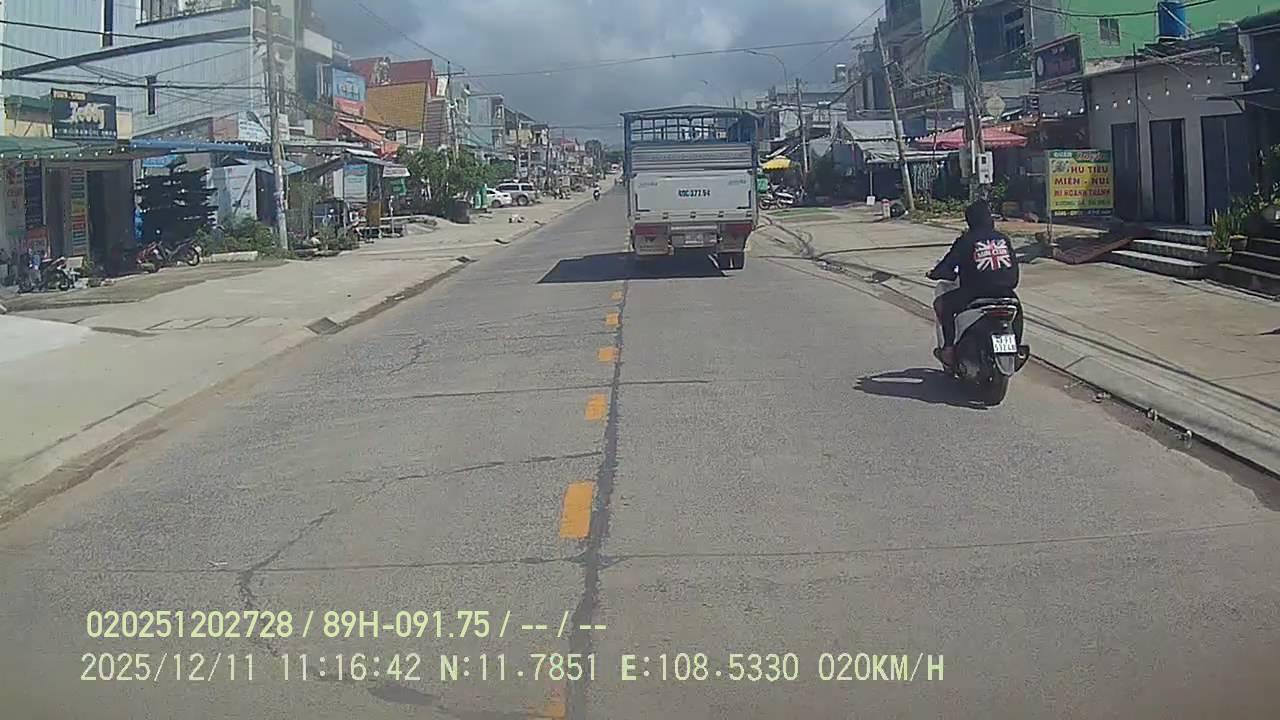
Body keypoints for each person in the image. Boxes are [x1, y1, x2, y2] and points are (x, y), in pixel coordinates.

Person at [927, 200, 1021, 367]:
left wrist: (935, 274)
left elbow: (946, 267)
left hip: (975, 293)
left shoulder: (966, 240)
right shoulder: (1003, 239)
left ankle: (948, 350)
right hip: (1006, 292)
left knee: (942, 305)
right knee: (1017, 311)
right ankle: (1016, 350)